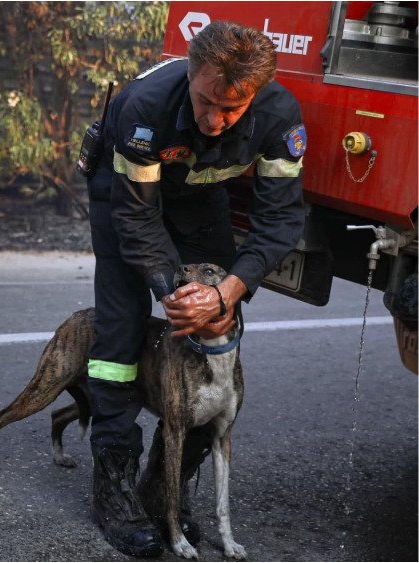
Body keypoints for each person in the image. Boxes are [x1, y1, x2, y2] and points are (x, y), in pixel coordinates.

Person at [85, 21, 306, 557]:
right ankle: (113, 483)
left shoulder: (280, 116)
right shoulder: (144, 107)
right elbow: (137, 222)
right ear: (190, 72)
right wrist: (173, 292)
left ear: (255, 93)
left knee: (218, 329)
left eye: (232, 109)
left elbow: (279, 222)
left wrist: (225, 293)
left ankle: (167, 484)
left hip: (200, 195)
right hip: (126, 197)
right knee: (120, 329)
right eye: (206, 101)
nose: (215, 120)